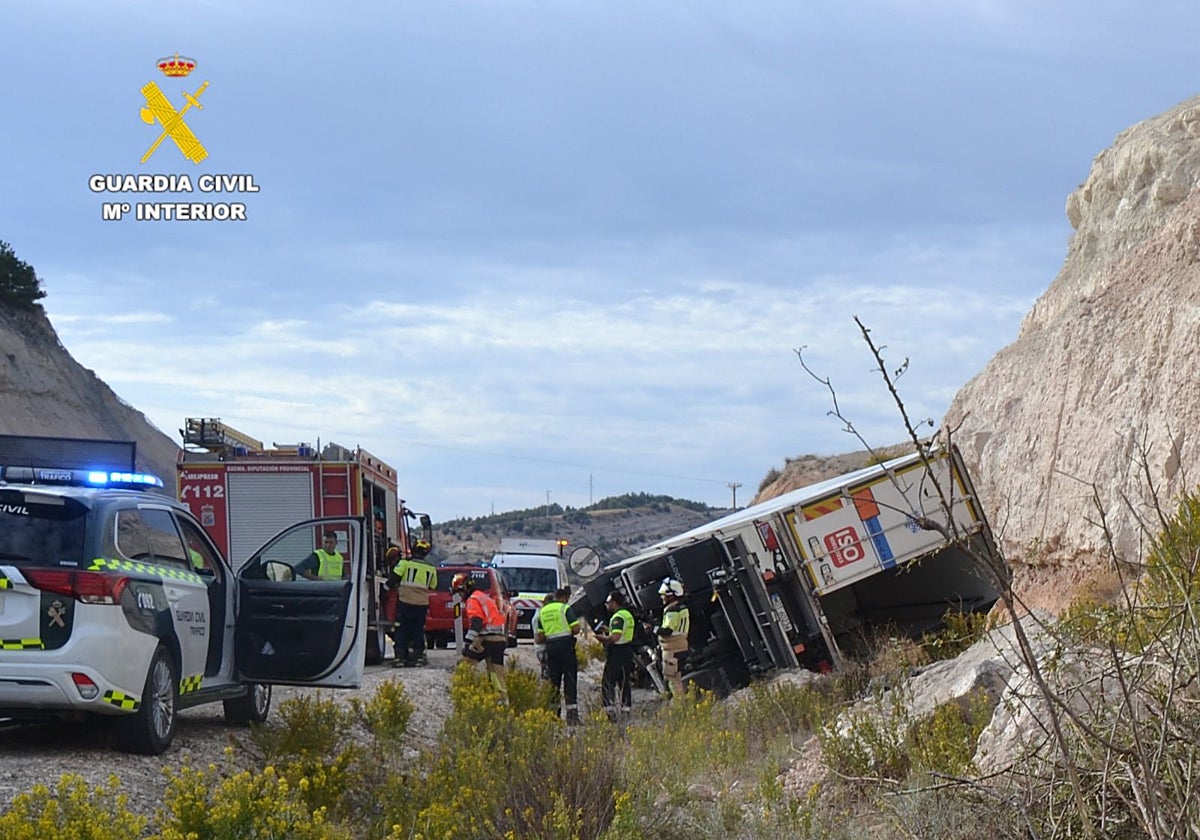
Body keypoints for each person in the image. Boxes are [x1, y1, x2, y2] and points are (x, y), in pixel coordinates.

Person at [452, 571, 508, 701]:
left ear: (465, 589)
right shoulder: (483, 597)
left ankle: (462, 695)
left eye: (459, 592)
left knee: (464, 665)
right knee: (495, 671)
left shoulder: (472, 600)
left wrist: (468, 643)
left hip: (486, 638)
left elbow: (477, 622)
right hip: (499, 639)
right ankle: (502, 701)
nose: (459, 596)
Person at [534, 586, 581, 724]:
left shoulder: (542, 612)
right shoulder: (564, 608)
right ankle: (572, 717)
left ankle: (554, 715)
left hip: (551, 648)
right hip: (566, 647)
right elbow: (576, 629)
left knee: (554, 682)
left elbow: (540, 637)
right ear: (563, 598)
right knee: (570, 681)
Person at [388, 539, 436, 667]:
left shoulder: (404, 563)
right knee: (418, 631)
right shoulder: (431, 568)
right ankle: (418, 657)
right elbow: (433, 585)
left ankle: (400, 658)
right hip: (421, 605)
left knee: (401, 630)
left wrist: (387, 587)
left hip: (405, 602)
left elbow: (393, 579)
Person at [594, 589, 635, 723]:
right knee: (624, 683)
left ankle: (610, 714)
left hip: (617, 653)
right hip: (627, 651)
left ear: (614, 602)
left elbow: (616, 637)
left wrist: (603, 638)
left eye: (608, 602)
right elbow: (621, 632)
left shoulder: (617, 617)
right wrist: (608, 630)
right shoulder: (627, 614)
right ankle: (626, 712)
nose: (606, 605)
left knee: (607, 683)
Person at [655, 577, 690, 698]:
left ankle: (680, 707)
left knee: (673, 680)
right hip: (681, 647)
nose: (662, 597)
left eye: (664, 595)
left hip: (672, 650)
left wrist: (653, 629)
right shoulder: (682, 607)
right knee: (678, 678)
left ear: (671, 595)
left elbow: (667, 631)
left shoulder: (672, 610)